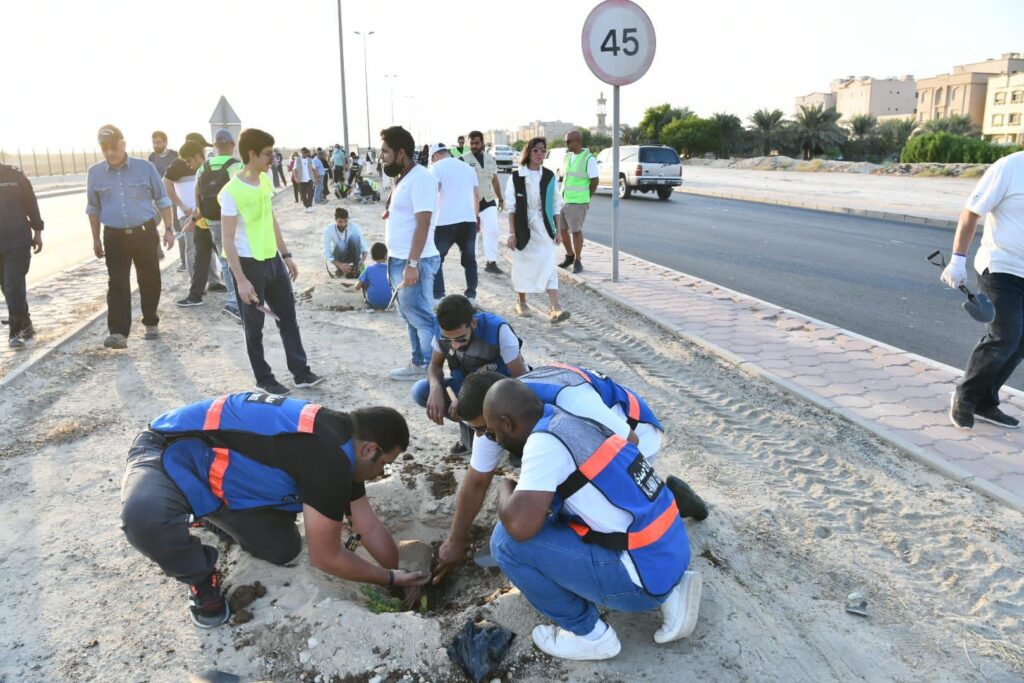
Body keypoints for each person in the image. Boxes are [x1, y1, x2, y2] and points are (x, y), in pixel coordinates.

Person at [120, 392, 429, 628]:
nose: (380, 474)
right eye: (384, 465)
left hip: (226, 484)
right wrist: (388, 579)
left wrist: (403, 576)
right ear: (370, 449)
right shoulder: (329, 458)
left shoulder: (344, 447)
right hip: (170, 450)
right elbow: (325, 558)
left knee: (281, 549)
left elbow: (366, 527)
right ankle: (200, 577)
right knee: (143, 519)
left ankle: (209, 517)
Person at [481, 379, 702, 660]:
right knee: (558, 517)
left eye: (492, 433)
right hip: (672, 550)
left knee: (504, 542)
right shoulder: (569, 419)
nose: (496, 441)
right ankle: (672, 592)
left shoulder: (544, 443)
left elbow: (520, 528)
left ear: (507, 423)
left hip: (640, 585)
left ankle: (589, 635)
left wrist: (505, 488)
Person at [438, 368, 709, 576]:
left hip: (635, 436)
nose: (485, 438)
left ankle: (669, 498)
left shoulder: (569, 399)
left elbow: (630, 448)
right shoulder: (501, 411)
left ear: (500, 418)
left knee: (582, 505)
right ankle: (664, 495)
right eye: (477, 431)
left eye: (486, 430)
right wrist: (455, 541)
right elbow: (475, 482)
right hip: (598, 441)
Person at [220, 128, 324, 395]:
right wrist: (241, 280)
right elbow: (228, 240)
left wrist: (286, 255)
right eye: (268, 154)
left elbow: (271, 220)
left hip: (273, 261)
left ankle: (300, 372)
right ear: (252, 154)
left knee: (287, 316)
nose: (273, 159)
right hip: (248, 264)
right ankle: (264, 378)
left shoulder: (265, 182)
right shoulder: (232, 191)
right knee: (254, 327)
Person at [943, 150, 1024, 430]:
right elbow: (971, 212)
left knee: (1020, 343)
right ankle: (965, 397)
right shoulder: (1011, 167)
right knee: (1005, 336)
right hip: (1001, 266)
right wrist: (957, 260)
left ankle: (985, 402)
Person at [87, 124, 175, 349]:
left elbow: (162, 200)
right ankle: (118, 333)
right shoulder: (95, 173)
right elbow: (93, 208)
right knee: (117, 283)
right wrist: (96, 238)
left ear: (123, 144)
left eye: (113, 147)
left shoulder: (145, 168)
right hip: (114, 237)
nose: (109, 153)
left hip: (144, 234)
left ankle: (151, 321)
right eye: (104, 148)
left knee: (150, 279)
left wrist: (168, 229)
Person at [413, 294, 527, 455]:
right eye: (448, 340)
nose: (454, 345)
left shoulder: (498, 330)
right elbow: (434, 365)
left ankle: (513, 442)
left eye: (460, 339)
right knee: (420, 391)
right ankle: (473, 431)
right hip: (468, 386)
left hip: (502, 388)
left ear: (473, 323)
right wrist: (435, 387)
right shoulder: (442, 332)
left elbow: (520, 381)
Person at [380, 126, 441, 381]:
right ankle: (419, 363)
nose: (381, 156)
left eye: (385, 151)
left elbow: (424, 223)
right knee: (409, 314)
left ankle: (429, 368)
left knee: (421, 316)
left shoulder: (421, 178)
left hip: (414, 259)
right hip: (400, 258)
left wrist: (413, 264)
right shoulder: (405, 177)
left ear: (401, 153)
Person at [503, 137, 570, 324]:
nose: (540, 154)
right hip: (523, 228)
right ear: (528, 152)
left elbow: (556, 206)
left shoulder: (549, 176)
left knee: (548, 265)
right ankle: (521, 302)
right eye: (536, 150)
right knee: (523, 265)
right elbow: (512, 208)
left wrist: (557, 231)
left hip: (544, 227)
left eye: (543, 150)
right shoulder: (516, 177)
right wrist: (511, 233)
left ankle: (555, 308)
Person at [165, 142, 225, 308]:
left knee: (226, 259)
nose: (188, 164)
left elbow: (205, 199)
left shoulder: (207, 170)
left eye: (189, 160)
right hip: (201, 222)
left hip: (217, 222)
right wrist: (193, 219)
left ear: (199, 155)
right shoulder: (202, 170)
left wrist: (192, 218)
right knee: (201, 259)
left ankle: (236, 298)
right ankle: (195, 295)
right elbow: (201, 201)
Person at [195, 129, 243, 322]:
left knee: (224, 259)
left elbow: (197, 191)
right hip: (232, 218)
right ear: (232, 145)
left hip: (212, 218)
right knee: (237, 257)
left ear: (215, 146)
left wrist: (200, 213)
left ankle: (234, 298)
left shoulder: (204, 166)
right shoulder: (236, 165)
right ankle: (236, 301)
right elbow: (240, 192)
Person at [429, 143, 480, 303]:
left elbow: (433, 192)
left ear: (435, 156)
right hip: (468, 220)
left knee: (437, 259)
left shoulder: (436, 168)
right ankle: (471, 295)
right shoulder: (468, 168)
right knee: (470, 260)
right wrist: (476, 217)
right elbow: (476, 195)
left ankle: (439, 296)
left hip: (445, 221)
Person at [0, 161, 43, 348]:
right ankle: (26, 325)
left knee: (13, 284)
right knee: (7, 287)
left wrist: (38, 231)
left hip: (17, 240)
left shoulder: (15, 175)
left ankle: (15, 332)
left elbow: (30, 203)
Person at [462, 131, 505, 275]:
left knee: (492, 232)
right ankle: (471, 263)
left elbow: (494, 179)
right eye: (472, 143)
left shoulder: (490, 159)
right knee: (472, 235)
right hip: (470, 204)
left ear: (482, 142)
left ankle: (491, 262)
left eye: (477, 143)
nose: (474, 146)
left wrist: (501, 198)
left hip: (488, 200)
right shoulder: (462, 160)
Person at [558, 130, 599, 274]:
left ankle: (578, 260)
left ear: (577, 141)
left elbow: (595, 181)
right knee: (562, 230)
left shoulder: (589, 159)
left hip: (578, 202)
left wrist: (587, 197)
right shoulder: (567, 157)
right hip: (564, 199)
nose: (566, 144)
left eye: (568, 141)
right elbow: (565, 177)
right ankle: (569, 255)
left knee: (575, 231)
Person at [148, 131, 182, 267]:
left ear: (165, 142)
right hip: (156, 198)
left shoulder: (175, 155)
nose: (156, 145)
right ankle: (157, 252)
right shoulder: (152, 157)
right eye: (154, 142)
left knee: (178, 227)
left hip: (173, 196)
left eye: (159, 142)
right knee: (151, 223)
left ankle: (184, 260)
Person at [323, 207, 369, 277]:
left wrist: (362, 260)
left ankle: (356, 268)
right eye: (340, 221)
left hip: (354, 255)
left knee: (355, 238)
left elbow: (364, 246)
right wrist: (339, 265)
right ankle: (341, 269)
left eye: (345, 221)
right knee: (341, 244)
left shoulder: (354, 226)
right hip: (339, 256)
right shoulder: (329, 229)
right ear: (335, 220)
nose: (343, 224)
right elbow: (327, 252)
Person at [357, 242, 393, 311]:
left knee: (365, 281)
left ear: (372, 257)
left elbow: (357, 287)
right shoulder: (391, 269)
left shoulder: (369, 269)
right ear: (386, 256)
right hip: (389, 302)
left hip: (373, 302)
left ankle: (369, 304)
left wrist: (362, 272)